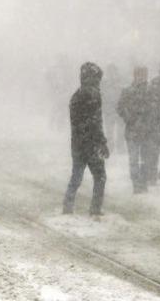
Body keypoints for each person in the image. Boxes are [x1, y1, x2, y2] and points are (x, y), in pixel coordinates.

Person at [62, 62, 109, 216]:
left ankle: (67, 207)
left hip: (77, 143)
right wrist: (102, 142)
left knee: (76, 176)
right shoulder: (94, 95)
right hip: (91, 144)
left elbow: (78, 122)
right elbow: (96, 122)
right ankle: (95, 209)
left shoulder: (76, 96)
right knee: (100, 176)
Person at [117, 66, 160, 194]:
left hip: (146, 131)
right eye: (139, 75)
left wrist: (149, 116)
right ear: (134, 75)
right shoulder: (127, 91)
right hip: (133, 130)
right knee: (134, 159)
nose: (141, 77)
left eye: (143, 75)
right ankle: (136, 184)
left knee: (145, 159)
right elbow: (120, 107)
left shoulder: (151, 90)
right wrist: (128, 116)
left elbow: (156, 109)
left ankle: (143, 182)